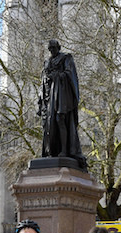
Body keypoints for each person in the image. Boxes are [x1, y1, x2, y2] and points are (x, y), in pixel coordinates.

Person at [38, 39, 86, 168]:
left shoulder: (66, 58)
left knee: (61, 119)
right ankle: (50, 150)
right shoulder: (47, 62)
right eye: (50, 49)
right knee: (49, 124)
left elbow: (70, 74)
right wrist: (41, 99)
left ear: (58, 47)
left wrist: (57, 76)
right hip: (49, 98)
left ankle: (64, 150)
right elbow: (43, 80)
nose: (52, 51)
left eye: (53, 48)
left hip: (61, 95)